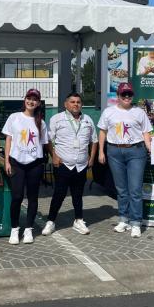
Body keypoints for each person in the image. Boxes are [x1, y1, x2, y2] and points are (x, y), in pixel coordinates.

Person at [97, 83, 152, 237]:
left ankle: (135, 222)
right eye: (123, 95)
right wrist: (101, 152)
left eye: (129, 95)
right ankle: (123, 219)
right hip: (114, 151)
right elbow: (102, 132)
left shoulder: (139, 112)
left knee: (134, 189)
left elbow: (146, 132)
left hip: (136, 151)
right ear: (118, 96)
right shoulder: (109, 112)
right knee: (121, 190)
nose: (127, 97)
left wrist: (149, 147)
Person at [42, 92, 98, 236]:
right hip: (63, 164)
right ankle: (51, 221)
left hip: (81, 165)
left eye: (78, 102)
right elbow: (48, 140)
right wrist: (53, 156)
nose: (75, 104)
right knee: (59, 194)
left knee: (78, 194)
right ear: (66, 104)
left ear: (81, 104)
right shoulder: (57, 119)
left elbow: (94, 141)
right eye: (72, 102)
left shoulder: (88, 119)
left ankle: (78, 220)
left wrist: (91, 158)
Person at [3, 88, 49, 245]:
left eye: (35, 99)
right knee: (16, 197)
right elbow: (8, 140)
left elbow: (44, 144)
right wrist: (6, 160)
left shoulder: (41, 122)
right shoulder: (14, 117)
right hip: (16, 162)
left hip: (35, 164)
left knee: (33, 197)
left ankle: (28, 229)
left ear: (38, 103)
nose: (31, 101)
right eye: (29, 98)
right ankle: (15, 229)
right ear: (25, 100)